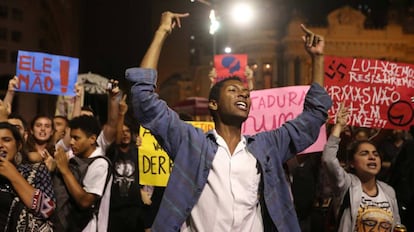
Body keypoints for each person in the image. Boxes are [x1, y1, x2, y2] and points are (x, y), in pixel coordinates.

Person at [126, 11, 332, 231]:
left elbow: (313, 117)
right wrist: (161, 32)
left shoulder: (267, 146)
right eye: (233, 90)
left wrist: (318, 59)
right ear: (213, 104)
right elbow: (143, 98)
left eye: (245, 92)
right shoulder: (191, 142)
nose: (243, 94)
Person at [321, 104, 401, 231]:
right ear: (352, 162)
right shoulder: (347, 185)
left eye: (375, 154)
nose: (372, 157)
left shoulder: (388, 191)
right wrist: (338, 127)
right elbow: (328, 159)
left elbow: (397, 226)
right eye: (364, 153)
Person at [53, 115, 113, 232]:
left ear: (92, 139)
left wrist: (65, 171)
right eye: (71, 137)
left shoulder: (100, 164)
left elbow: (85, 201)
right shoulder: (74, 159)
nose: (71, 142)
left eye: (76, 138)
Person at [0, 122, 55, 231]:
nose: (0, 144)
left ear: (18, 145)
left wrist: (14, 176)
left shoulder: (35, 171)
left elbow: (47, 210)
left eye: (6, 140)